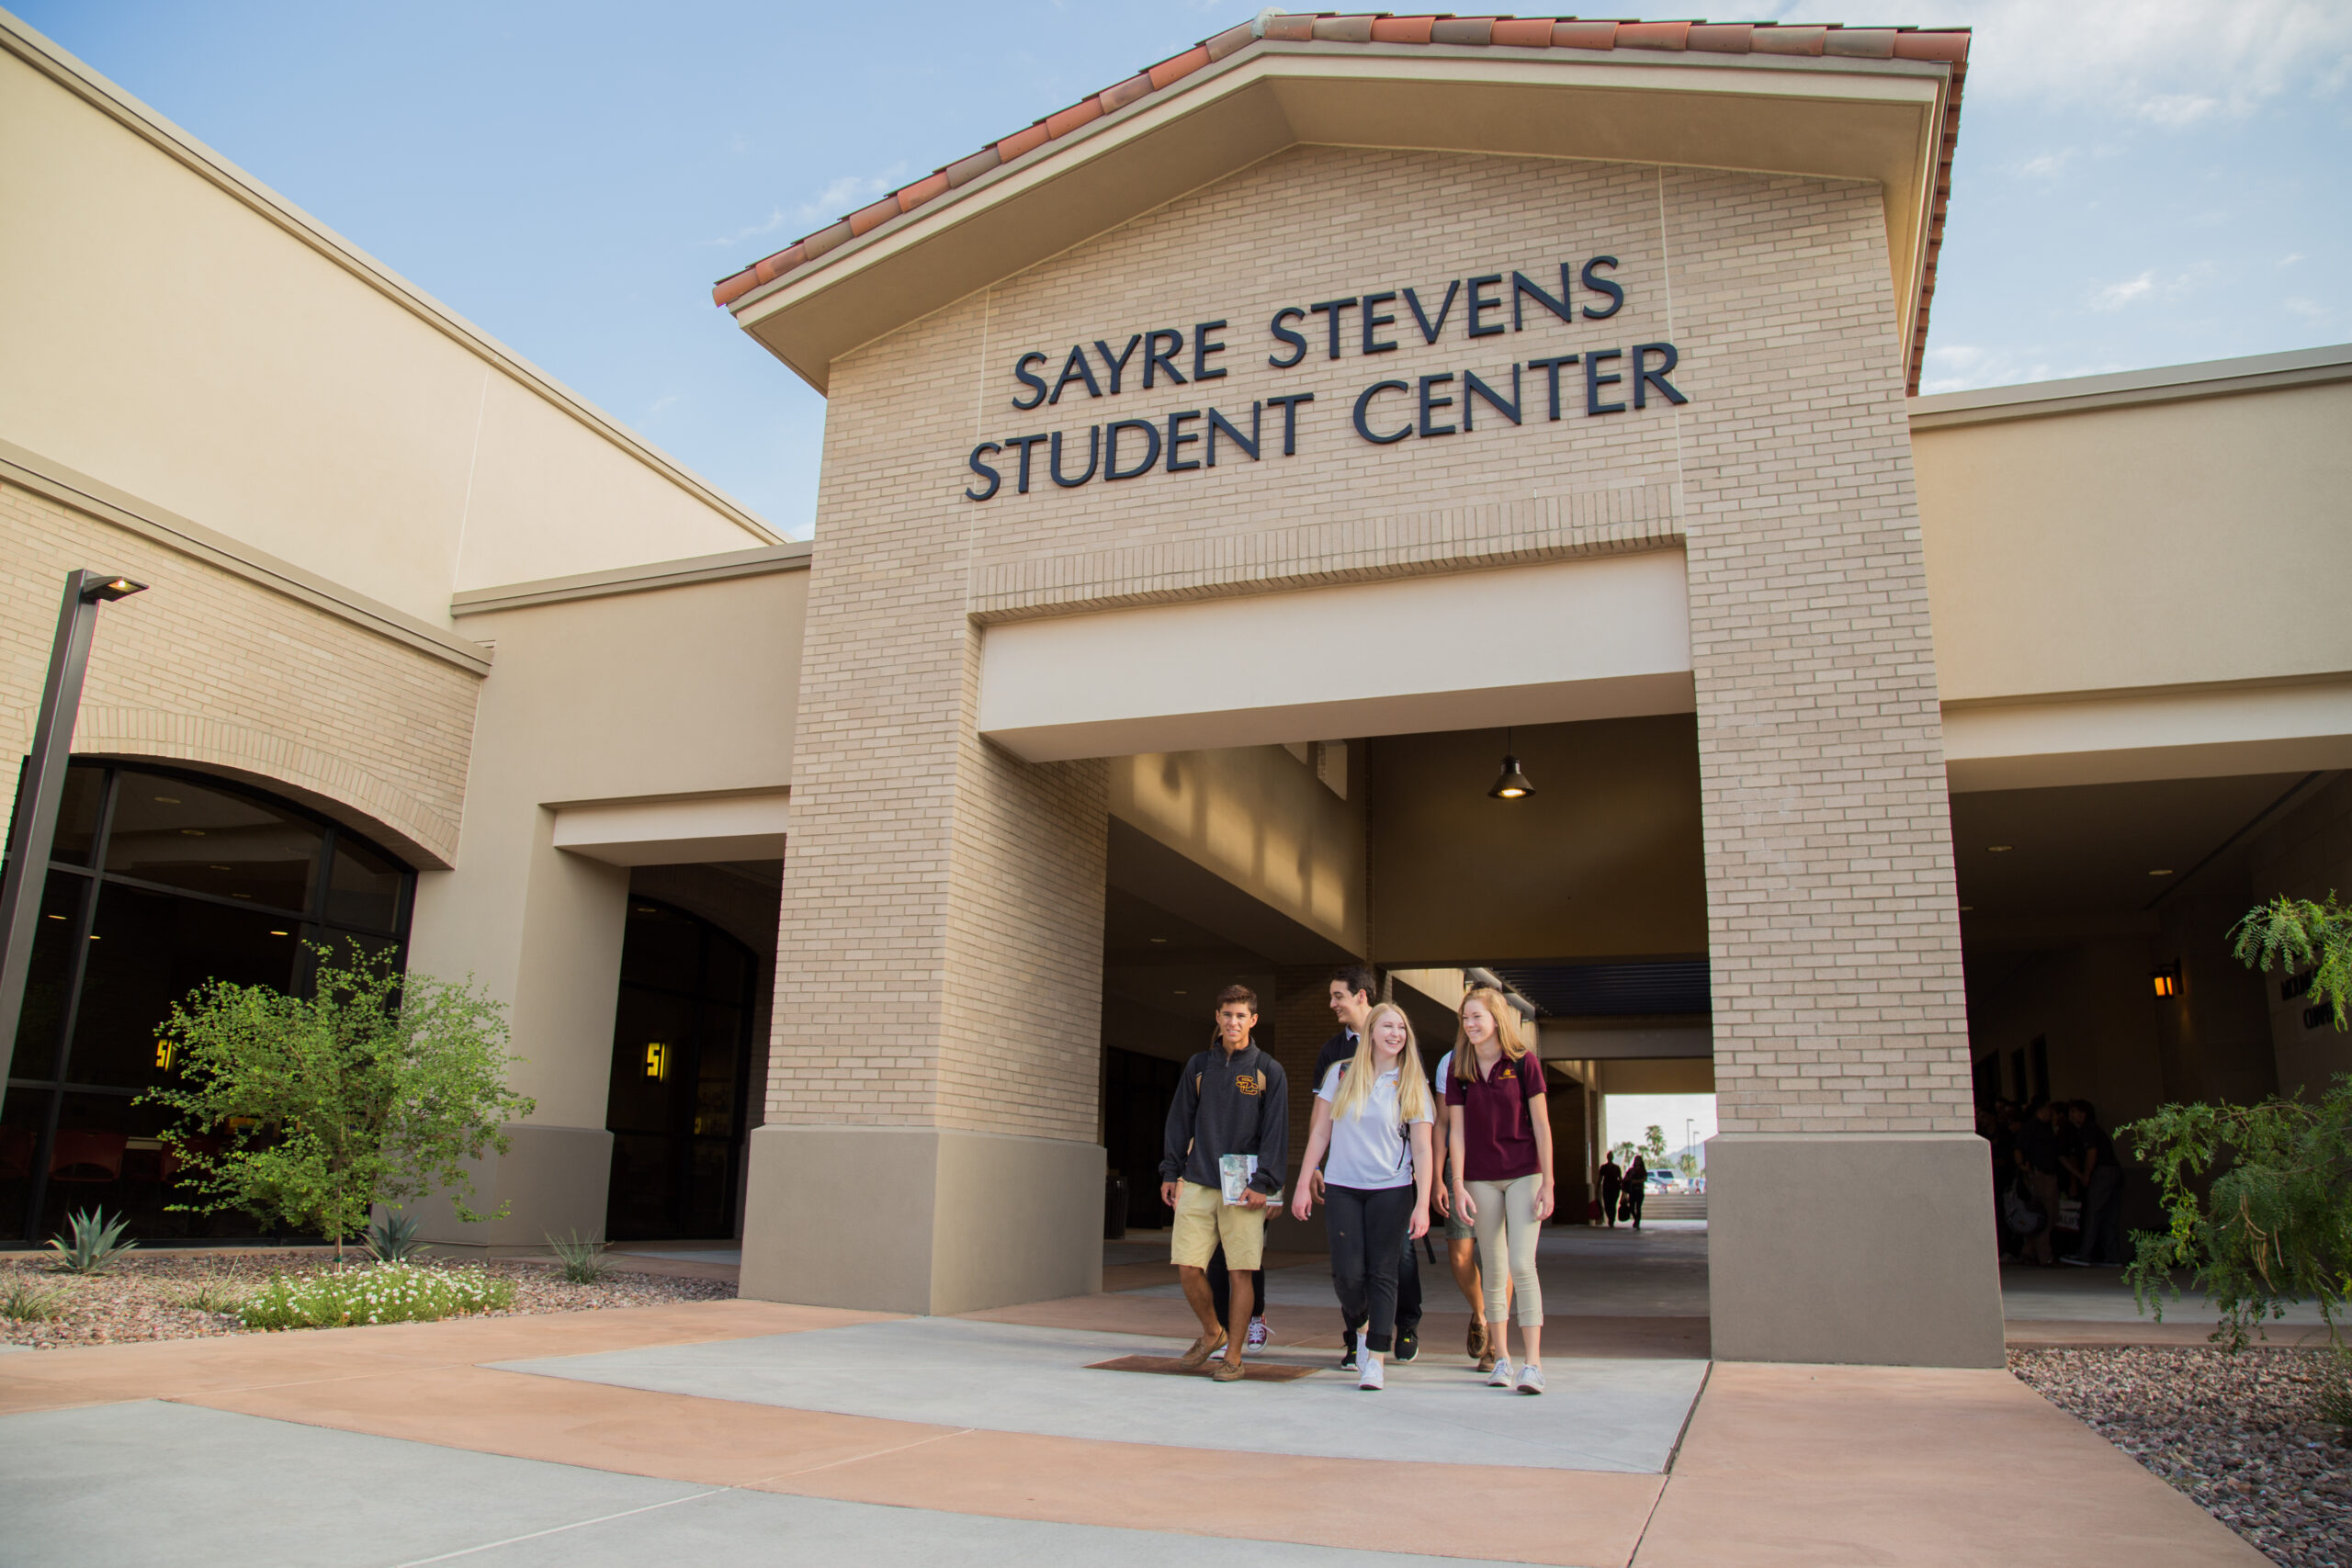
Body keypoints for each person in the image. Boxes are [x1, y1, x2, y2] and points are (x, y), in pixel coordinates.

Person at [1292, 1002, 1434, 1390]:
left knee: (1383, 1273)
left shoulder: (1412, 1081)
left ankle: (1376, 1359)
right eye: (1388, 1026)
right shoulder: (1341, 1073)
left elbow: (1423, 1149)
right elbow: (1321, 1132)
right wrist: (1304, 1182)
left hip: (1392, 1188)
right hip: (1343, 1187)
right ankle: (1360, 1325)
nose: (1396, 1034)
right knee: (1347, 1275)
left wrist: (1422, 1204)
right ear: (1371, 1030)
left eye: (1402, 1028)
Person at [1159, 985, 1289, 1382]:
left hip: (1245, 1186)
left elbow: (1276, 1132)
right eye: (1227, 1014)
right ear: (1217, 1017)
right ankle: (1212, 1331)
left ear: (1253, 1020)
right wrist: (1170, 1170)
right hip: (1198, 1179)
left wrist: (1266, 1183)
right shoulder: (1199, 1066)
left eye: (1241, 1016)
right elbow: (1180, 1120)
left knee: (1240, 1272)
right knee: (1186, 1265)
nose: (1233, 1022)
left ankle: (1233, 1355)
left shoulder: (1268, 1070)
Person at [1446, 986, 1555, 1395]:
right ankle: (1502, 1359)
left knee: (1522, 1265)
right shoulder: (1461, 1068)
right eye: (1465, 1019)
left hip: (1525, 1172)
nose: (1471, 1025)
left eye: (1477, 1017)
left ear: (1496, 1020)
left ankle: (1534, 1364)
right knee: (1493, 1267)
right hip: (1479, 1177)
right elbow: (1456, 1132)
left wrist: (1549, 1180)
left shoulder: (1524, 1063)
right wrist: (1457, 1183)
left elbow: (1542, 1125)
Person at [1430, 1041, 1507, 1371]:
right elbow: (1442, 1125)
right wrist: (1437, 1178)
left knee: (1498, 1256)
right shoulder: (1450, 1062)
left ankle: (1495, 1346)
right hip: (1460, 1168)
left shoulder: (1513, 1062)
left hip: (1505, 1168)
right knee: (1460, 1256)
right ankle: (1482, 1313)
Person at [2062, 1100, 2125, 1267]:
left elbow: (2092, 1153)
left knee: (2094, 1213)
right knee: (2109, 1215)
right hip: (2114, 1171)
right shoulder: (2089, 1130)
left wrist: (2086, 1175)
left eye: (2075, 1111)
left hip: (2103, 1172)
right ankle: (2113, 1256)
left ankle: (2085, 1254)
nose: (2072, 1115)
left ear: (2084, 1113)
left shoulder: (2088, 1129)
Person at [2016, 1100, 2063, 1267]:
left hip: (2046, 1173)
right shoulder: (2031, 1128)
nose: (2051, 1113)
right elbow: (2019, 1148)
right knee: (2045, 1214)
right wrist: (2023, 1167)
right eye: (2049, 1109)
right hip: (2040, 1175)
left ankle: (2029, 1253)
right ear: (2040, 1111)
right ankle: (2045, 1256)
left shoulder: (2047, 1128)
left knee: (2040, 1215)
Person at [1598, 1152, 1623, 1230]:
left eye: (1611, 1156)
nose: (1610, 1157)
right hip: (1606, 1188)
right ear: (1607, 1157)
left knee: (1613, 1204)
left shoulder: (1616, 1168)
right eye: (1609, 1156)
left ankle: (1612, 1220)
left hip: (1615, 1188)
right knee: (1607, 1205)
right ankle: (1610, 1217)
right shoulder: (1603, 1167)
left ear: (1612, 1157)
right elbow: (1600, 1178)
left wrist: (1623, 1188)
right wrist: (1597, 1187)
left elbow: (1620, 1178)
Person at [1622, 1152, 1647, 1229]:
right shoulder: (1631, 1170)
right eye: (1636, 1160)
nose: (1637, 1162)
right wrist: (1629, 1180)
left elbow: (1645, 1179)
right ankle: (1636, 1219)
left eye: (1639, 1160)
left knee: (1638, 1207)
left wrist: (1636, 1181)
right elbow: (1625, 1179)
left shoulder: (1642, 1170)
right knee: (1631, 1208)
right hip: (1632, 1191)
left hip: (1639, 1191)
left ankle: (1637, 1222)